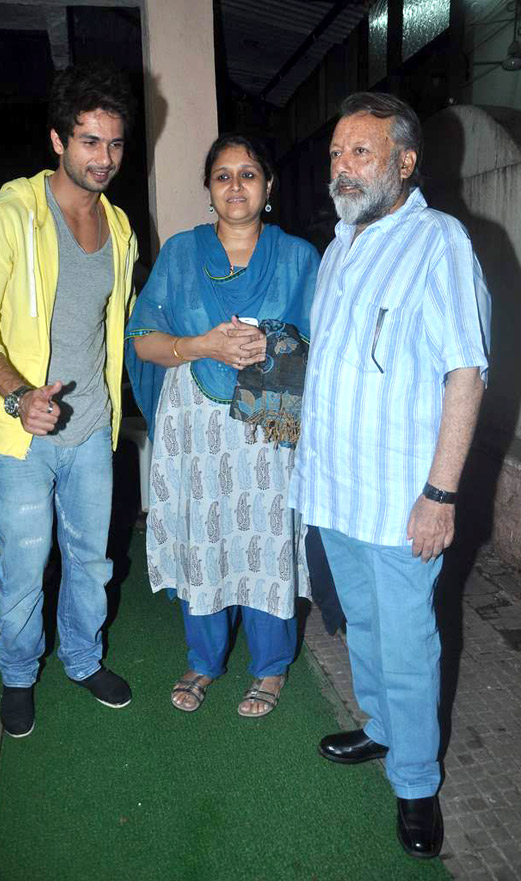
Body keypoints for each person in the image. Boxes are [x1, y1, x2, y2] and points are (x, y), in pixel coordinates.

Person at [289, 93, 490, 859]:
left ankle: (415, 784)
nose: (342, 167)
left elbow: (464, 374)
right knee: (363, 625)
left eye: (360, 153)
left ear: (405, 162)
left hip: (400, 497)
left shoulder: (438, 242)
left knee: (408, 641)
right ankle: (378, 729)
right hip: (336, 489)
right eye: (336, 154)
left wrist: (439, 495)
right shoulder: (339, 243)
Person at [0, 64, 138, 738]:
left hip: (90, 431)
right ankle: (18, 672)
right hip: (22, 435)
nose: (104, 159)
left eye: (115, 144)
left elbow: (113, 322)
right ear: (58, 139)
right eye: (90, 141)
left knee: (92, 559)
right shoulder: (5, 218)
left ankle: (84, 659)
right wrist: (21, 394)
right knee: (25, 568)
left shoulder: (119, 229)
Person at [126, 134, 320, 717]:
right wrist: (200, 343)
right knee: (203, 532)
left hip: (266, 420)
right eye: (223, 176)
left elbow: (328, 345)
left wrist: (277, 342)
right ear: (209, 190)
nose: (236, 186)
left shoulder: (298, 257)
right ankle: (204, 659)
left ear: (268, 187)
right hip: (196, 424)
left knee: (264, 537)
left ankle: (270, 667)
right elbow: (144, 340)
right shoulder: (182, 255)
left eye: (248, 174)